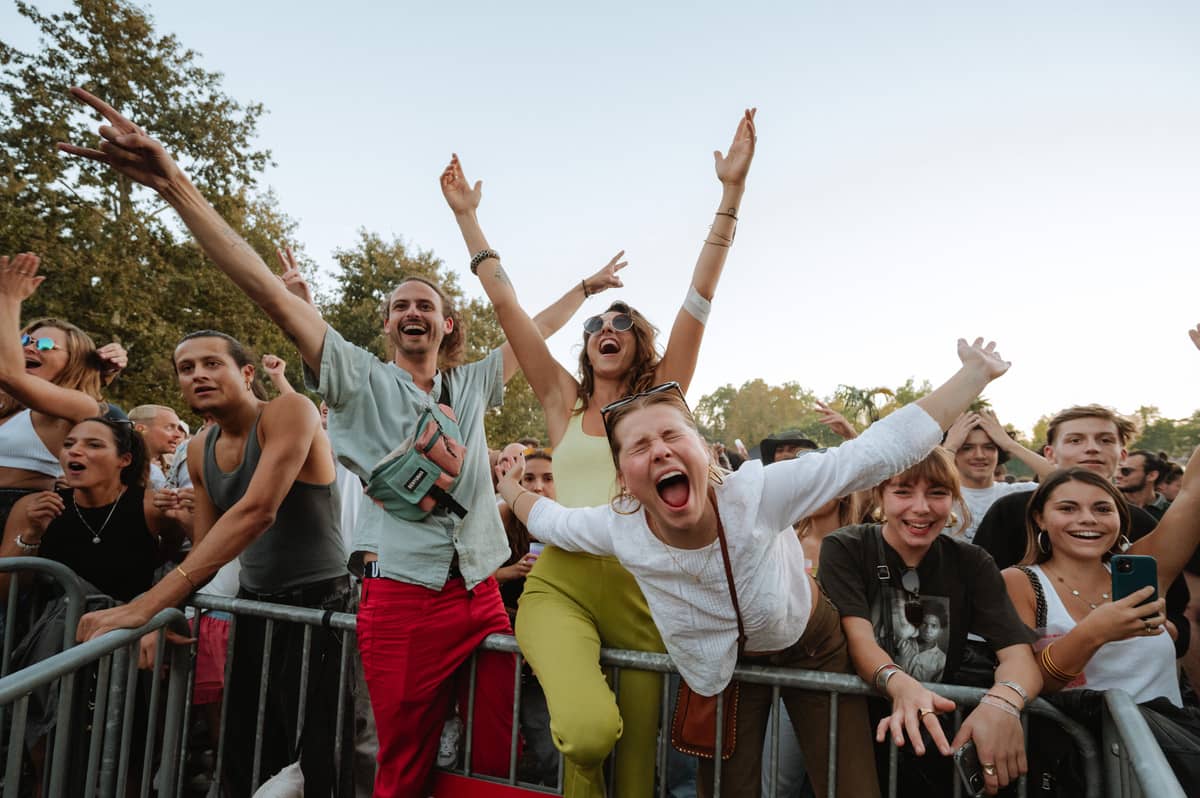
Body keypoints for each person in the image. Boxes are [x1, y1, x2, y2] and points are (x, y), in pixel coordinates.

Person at [57, 86, 618, 797]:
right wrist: (176, 186)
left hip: (480, 593)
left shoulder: (472, 385)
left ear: (447, 326)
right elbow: (264, 288)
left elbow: (526, 327)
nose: (413, 312)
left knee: (492, 764)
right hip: (402, 603)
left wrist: (579, 285)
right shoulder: (354, 378)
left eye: (428, 305)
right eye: (400, 306)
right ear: (385, 326)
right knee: (400, 772)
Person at [496, 337, 1011, 798]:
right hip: (723, 667)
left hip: (812, 646)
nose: (660, 451)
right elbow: (554, 522)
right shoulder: (621, 527)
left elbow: (871, 454)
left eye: (673, 436)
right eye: (639, 446)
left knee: (848, 784)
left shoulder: (758, 493)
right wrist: (509, 488)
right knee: (722, 789)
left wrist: (974, 374)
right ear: (625, 480)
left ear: (703, 452)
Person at [440, 108, 756, 798]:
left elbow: (700, 294)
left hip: (647, 594)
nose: (607, 327)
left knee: (639, 776)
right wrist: (468, 218)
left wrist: (729, 195)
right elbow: (507, 306)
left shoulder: (661, 403)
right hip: (562, 587)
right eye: (596, 325)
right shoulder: (561, 400)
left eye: (621, 323)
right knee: (588, 733)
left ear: (639, 343)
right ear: (586, 347)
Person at [818, 446, 1043, 798]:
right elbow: (859, 638)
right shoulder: (847, 547)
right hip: (855, 729)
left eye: (937, 493)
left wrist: (1004, 703)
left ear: (953, 499)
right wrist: (900, 684)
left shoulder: (972, 562)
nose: (921, 507)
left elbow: (1018, 655)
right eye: (903, 491)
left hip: (935, 739)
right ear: (880, 495)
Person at [0, 254, 112, 527]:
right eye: (26, 339)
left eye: (46, 345)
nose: (30, 347)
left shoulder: (82, 406)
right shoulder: (7, 404)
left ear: (74, 361)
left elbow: (9, 373)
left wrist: (9, 298)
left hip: (16, 513)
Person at [940, 409, 1051, 542]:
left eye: (989, 447)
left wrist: (1010, 444)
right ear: (955, 453)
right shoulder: (938, 495)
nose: (980, 455)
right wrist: (949, 447)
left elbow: (1066, 482)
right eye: (967, 448)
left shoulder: (1018, 493)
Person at [129, 404, 186, 488]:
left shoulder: (173, 466)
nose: (178, 435)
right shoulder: (120, 466)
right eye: (169, 427)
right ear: (140, 429)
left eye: (178, 428)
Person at [1115, 450, 1167, 515]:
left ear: (1152, 476)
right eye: (1117, 470)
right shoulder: (1109, 503)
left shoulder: (1171, 512)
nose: (1117, 476)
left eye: (1126, 471)